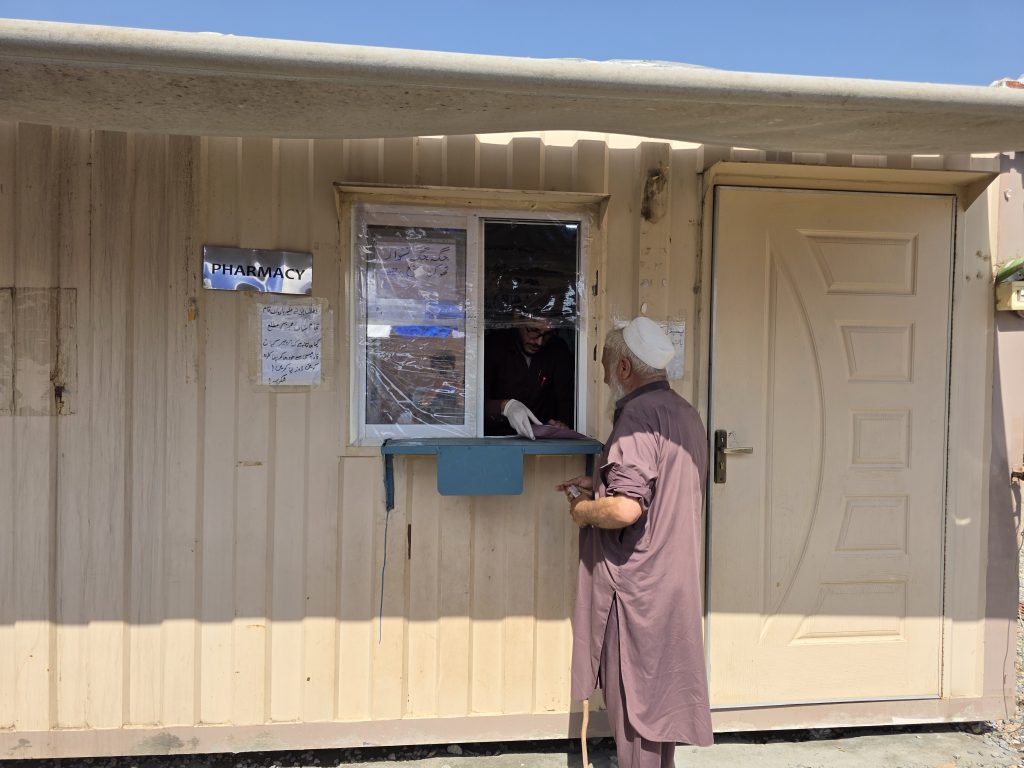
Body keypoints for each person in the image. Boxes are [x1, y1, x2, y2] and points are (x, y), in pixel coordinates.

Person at [556, 317, 712, 768]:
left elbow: (627, 510)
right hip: (672, 580)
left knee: (635, 709)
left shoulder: (636, 417)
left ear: (624, 367)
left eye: (606, 363)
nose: (603, 373)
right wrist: (600, 483)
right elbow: (662, 483)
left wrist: (583, 511)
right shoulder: (682, 411)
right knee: (659, 705)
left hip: (637, 588)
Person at [483, 312, 575, 438]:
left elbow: (565, 399)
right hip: (494, 440)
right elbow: (473, 402)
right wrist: (504, 406)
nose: (539, 342)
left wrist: (561, 424)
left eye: (547, 334)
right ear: (517, 319)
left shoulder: (557, 349)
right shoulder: (493, 346)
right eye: (534, 330)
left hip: (540, 441)